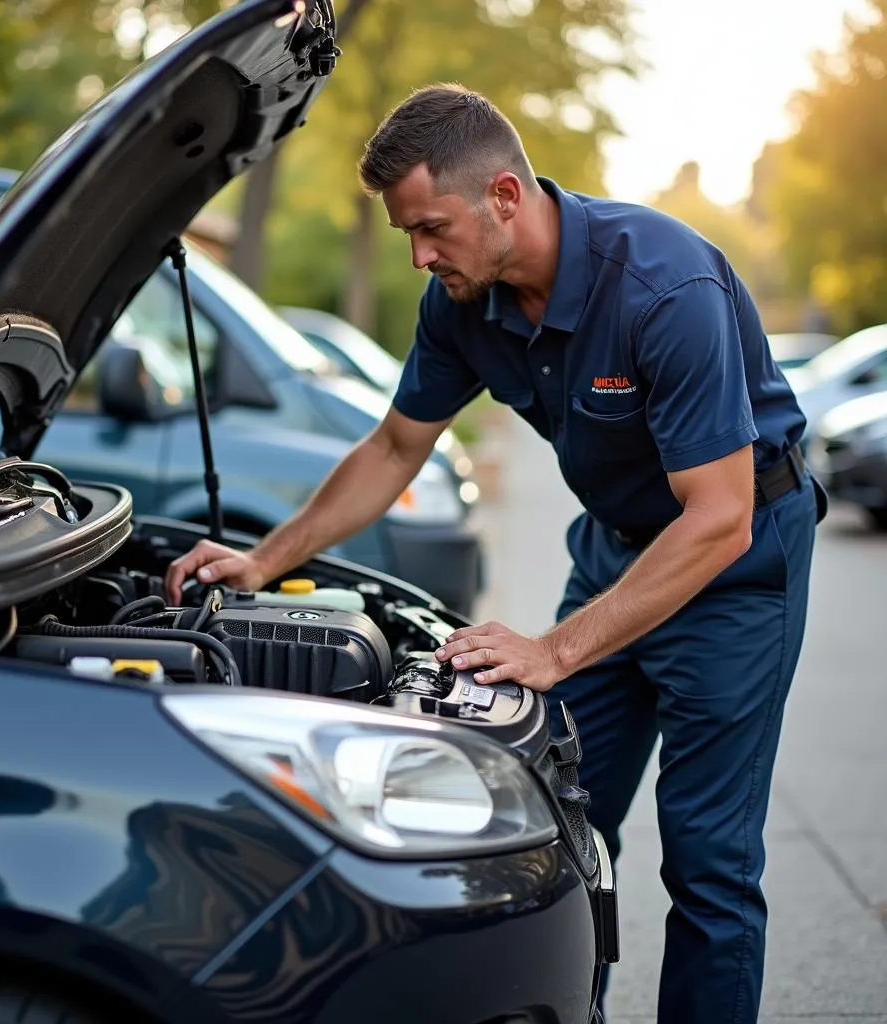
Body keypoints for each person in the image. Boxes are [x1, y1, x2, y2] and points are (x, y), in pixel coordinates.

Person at [165, 84, 825, 1023]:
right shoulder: (463, 303)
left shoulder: (662, 287)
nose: (422, 255)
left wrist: (553, 651)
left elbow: (717, 519)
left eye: (432, 227)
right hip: (615, 551)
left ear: (505, 197)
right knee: (556, 819)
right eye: (407, 236)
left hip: (734, 568)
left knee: (710, 860)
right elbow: (396, 447)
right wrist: (263, 561)